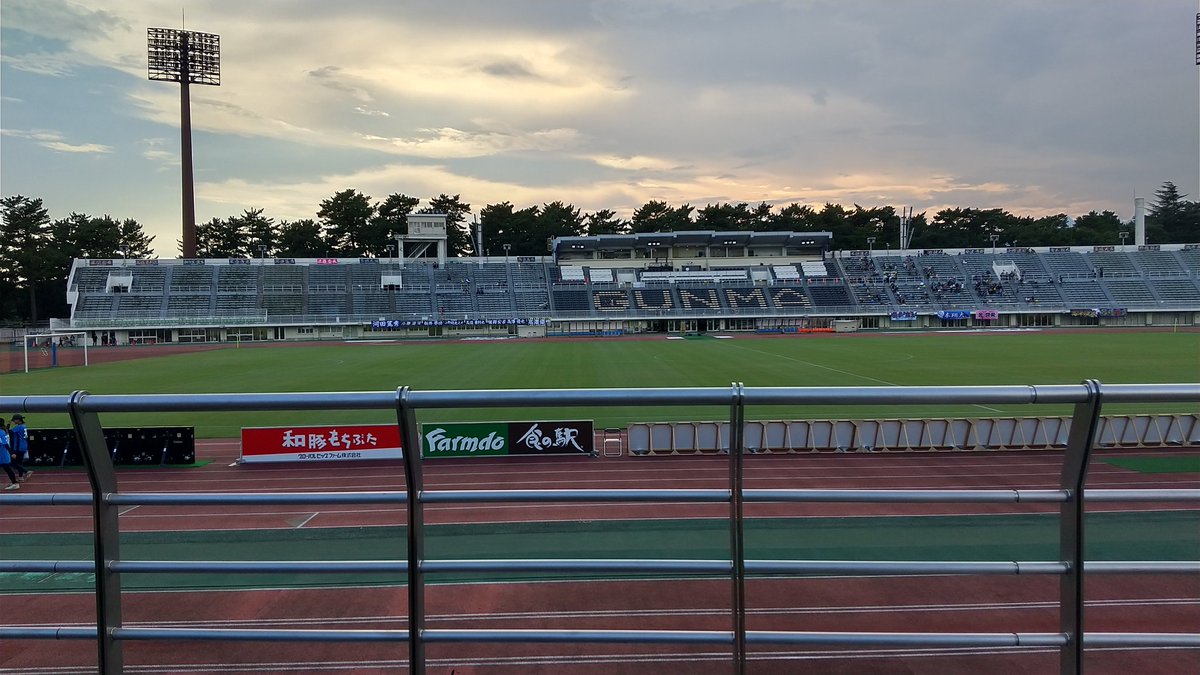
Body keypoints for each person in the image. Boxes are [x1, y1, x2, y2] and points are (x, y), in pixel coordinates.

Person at [9, 414, 32, 482]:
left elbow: (10, 432)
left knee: (12, 463)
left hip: (18, 447)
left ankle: (26, 471)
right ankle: (20, 477)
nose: (14, 421)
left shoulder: (19, 427)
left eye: (14, 420)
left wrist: (8, 425)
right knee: (19, 462)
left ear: (18, 420)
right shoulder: (24, 426)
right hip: (24, 446)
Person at [0, 418, 19, 490]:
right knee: (7, 469)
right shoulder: (4, 430)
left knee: (8, 469)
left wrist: (11, 453)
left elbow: (4, 444)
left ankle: (15, 483)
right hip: (5, 453)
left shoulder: (1, 432)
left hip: (2, 454)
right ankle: (14, 483)